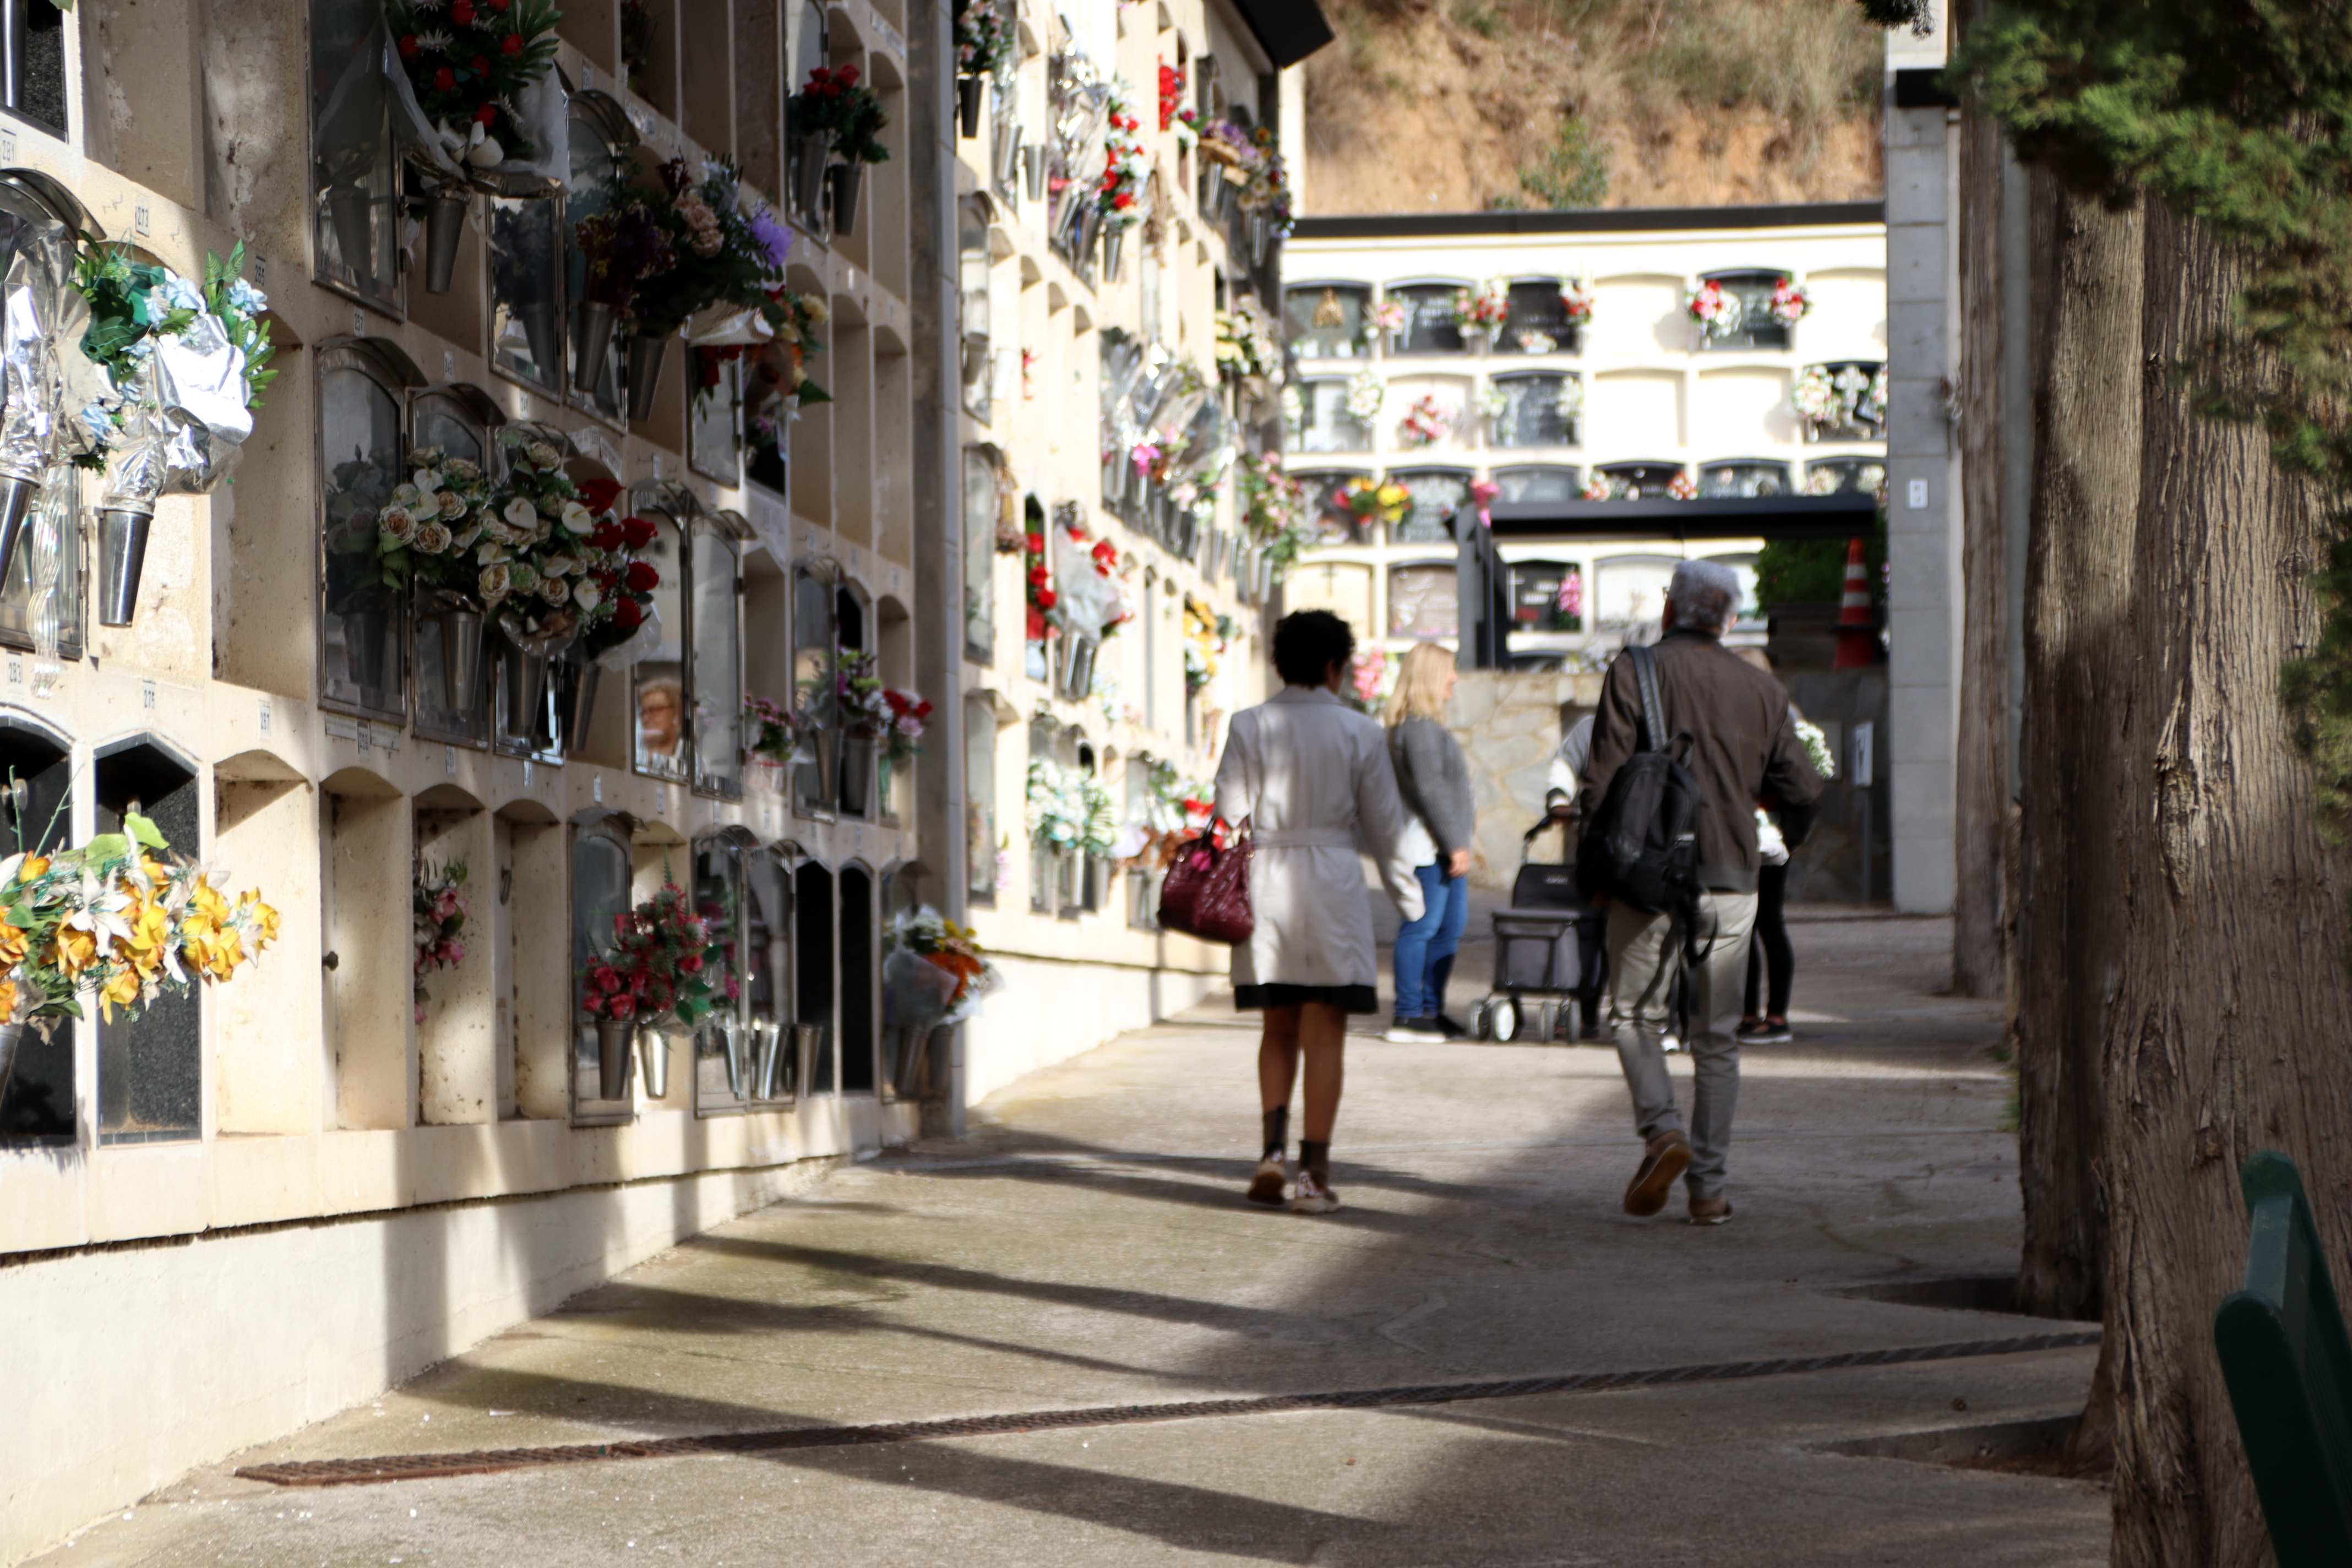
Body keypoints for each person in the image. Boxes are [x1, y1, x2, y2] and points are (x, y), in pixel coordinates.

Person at [1578, 560, 1823, 1226]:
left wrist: (1593, 876)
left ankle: (1662, 1131)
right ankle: (1709, 1193)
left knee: (1634, 1015)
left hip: (1645, 875)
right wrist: (1778, 837)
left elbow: (1600, 783)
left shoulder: (1634, 671)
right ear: (1728, 617)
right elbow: (1804, 789)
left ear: (1668, 609)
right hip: (1733, 877)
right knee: (1717, 1037)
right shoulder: (1763, 689)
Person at [1215, 609, 1425, 1215]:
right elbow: (1386, 826)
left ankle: (1271, 1154)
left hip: (1267, 878)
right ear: (1336, 665)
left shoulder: (1249, 724)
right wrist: (1409, 898)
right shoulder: (1361, 732)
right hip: (1332, 880)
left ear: (1282, 662)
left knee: (1275, 1027)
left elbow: (1229, 815)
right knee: (1326, 1035)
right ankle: (1314, 1176)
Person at [1382, 643, 1476, 1042]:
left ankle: (1430, 1010)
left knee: (1447, 930)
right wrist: (1456, 843)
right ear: (1429, 677)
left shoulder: (1424, 725)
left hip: (1440, 844)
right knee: (1421, 927)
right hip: (1428, 847)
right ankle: (1407, 1014)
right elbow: (1430, 790)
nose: (1454, 677)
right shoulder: (1418, 728)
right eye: (1449, 670)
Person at [1730, 646, 1815, 1045]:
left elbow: (1800, 783)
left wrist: (1790, 837)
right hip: (1743, 829)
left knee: (1767, 921)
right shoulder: (1740, 711)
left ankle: (1776, 1016)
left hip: (1770, 832)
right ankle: (1749, 1013)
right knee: (1744, 924)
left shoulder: (1782, 715)